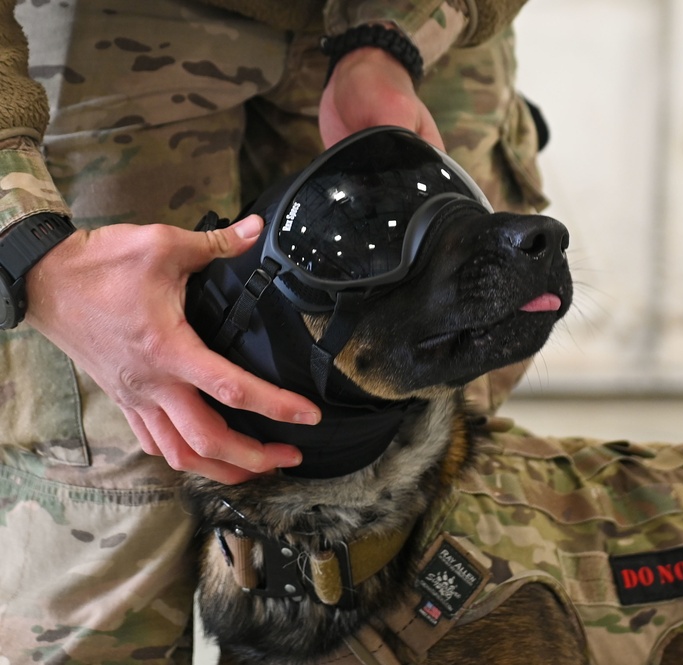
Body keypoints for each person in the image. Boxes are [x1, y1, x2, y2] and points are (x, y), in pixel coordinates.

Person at [0, 0, 547, 661]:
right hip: (107, 37)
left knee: (429, 482)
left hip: (401, 42)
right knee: (120, 522)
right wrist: (29, 242)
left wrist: (394, 33)